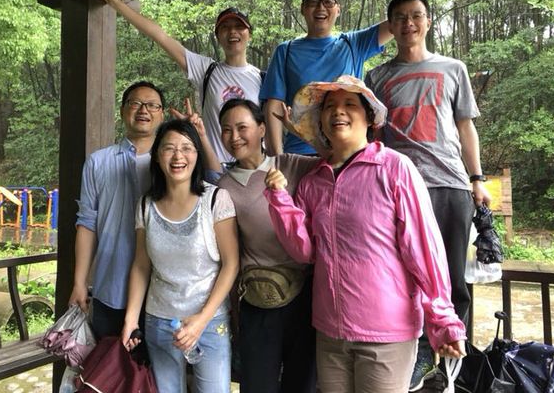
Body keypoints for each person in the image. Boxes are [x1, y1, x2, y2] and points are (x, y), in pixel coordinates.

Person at [264, 76, 466, 393]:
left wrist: (442, 319)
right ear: (321, 120)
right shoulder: (313, 181)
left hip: (387, 333)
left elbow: (424, 249)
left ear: (370, 117)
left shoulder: (395, 169)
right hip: (330, 332)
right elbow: (304, 252)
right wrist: (279, 201)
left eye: (349, 104)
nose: (338, 111)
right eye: (329, 107)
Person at [364, 0, 491, 391]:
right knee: (404, 275)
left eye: (416, 15)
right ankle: (418, 352)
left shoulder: (453, 68)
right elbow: (372, 136)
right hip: (397, 187)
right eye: (400, 17)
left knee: (452, 276)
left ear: (428, 21)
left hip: (448, 183)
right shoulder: (376, 78)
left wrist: (477, 178)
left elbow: (466, 127)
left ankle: (454, 357)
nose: (408, 23)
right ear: (391, 25)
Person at [260, 0, 436, 156]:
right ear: (303, 9)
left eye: (328, 1)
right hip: (299, 154)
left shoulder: (353, 44)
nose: (321, 8)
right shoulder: (285, 51)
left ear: (338, 9)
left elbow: (405, 13)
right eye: (313, 1)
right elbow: (274, 105)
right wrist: (278, 157)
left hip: (347, 152)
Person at [121, 119, 239, 393]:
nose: (178, 156)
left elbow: (231, 264)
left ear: (197, 154)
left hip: (209, 321)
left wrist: (201, 320)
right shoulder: (145, 205)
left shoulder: (216, 200)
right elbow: (141, 266)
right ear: (157, 155)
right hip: (159, 320)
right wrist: (130, 320)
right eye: (169, 148)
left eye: (186, 148)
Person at [97, 0, 262, 163]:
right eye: (225, 27)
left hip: (253, 169)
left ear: (249, 34)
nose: (232, 31)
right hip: (215, 171)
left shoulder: (263, 78)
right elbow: (160, 36)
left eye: (239, 26)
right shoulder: (207, 70)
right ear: (217, 36)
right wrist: (116, 3)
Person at [215, 99, 319, 393]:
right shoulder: (223, 188)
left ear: (262, 129)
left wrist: (300, 131)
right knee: (258, 384)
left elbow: (338, 156)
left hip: (304, 295)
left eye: (242, 127)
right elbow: (230, 255)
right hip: (258, 300)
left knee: (302, 383)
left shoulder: (291, 164)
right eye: (226, 130)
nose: (234, 137)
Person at [69, 81, 165, 339]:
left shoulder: (173, 162)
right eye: (136, 103)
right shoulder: (98, 162)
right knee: (109, 362)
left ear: (162, 114)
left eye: (152, 105)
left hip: (164, 292)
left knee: (160, 365)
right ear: (123, 110)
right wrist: (79, 283)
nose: (143, 110)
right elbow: (87, 224)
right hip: (111, 285)